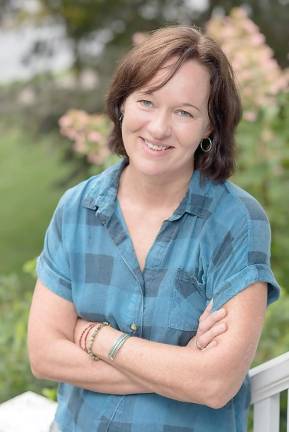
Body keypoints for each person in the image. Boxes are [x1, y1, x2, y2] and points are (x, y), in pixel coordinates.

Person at [28, 25, 280, 432]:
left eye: (184, 112)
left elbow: (215, 384)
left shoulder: (236, 222)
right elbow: (44, 355)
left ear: (209, 128)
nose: (159, 128)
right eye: (147, 101)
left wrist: (96, 338)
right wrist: (181, 371)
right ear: (122, 105)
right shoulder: (77, 209)